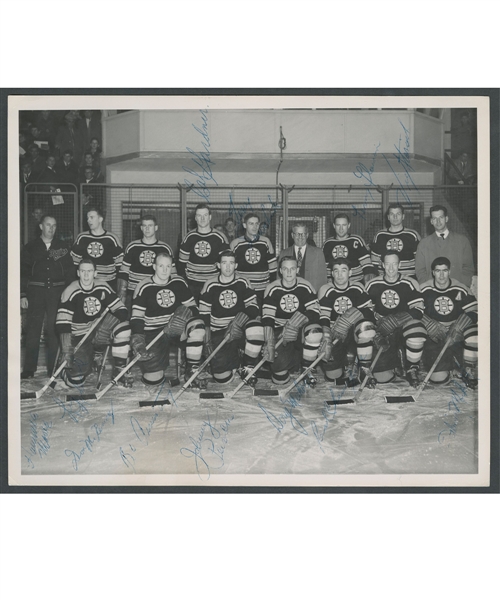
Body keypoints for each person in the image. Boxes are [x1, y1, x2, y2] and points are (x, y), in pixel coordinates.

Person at [130, 253, 205, 393]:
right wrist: (138, 339)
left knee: (197, 325)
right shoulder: (143, 286)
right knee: (153, 380)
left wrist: (185, 313)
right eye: (161, 266)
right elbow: (137, 317)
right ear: (154, 267)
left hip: (176, 329)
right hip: (153, 332)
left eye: (168, 266)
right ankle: (156, 369)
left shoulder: (179, 282)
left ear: (172, 267)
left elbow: (194, 309)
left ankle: (192, 368)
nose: (165, 270)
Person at [56, 258, 132, 388]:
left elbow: (122, 311)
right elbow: (63, 324)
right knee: (76, 382)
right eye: (83, 271)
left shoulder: (102, 286)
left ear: (95, 273)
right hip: (78, 335)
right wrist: (66, 350)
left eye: (89, 271)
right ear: (78, 273)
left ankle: (119, 368)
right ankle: (68, 369)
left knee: (123, 328)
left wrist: (106, 325)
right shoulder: (70, 291)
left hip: (97, 331)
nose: (86, 275)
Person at [21, 215, 75, 378]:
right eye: (48, 225)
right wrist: (22, 294)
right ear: (41, 226)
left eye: (54, 225)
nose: (51, 228)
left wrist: (69, 291)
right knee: (33, 330)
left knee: (54, 330)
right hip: (35, 293)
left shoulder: (63, 247)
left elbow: (70, 271)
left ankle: (53, 369)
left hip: (56, 293)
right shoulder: (30, 247)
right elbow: (23, 272)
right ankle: (29, 369)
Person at [199, 250, 262, 386]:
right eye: (224, 263)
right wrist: (207, 336)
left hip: (240, 330)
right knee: (223, 379)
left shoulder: (243, 282)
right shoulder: (210, 284)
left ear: (236, 265)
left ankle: (247, 365)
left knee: (256, 327)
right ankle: (235, 361)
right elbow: (203, 314)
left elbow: (254, 307)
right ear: (218, 265)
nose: (228, 267)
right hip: (220, 332)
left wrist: (238, 321)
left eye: (231, 263)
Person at [366, 251, 428, 387]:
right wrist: (376, 327)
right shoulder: (372, 284)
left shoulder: (410, 283)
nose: (391, 268)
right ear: (382, 265)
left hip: (403, 330)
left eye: (394, 264)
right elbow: (366, 311)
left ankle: (412, 368)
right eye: (388, 264)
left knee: (417, 328)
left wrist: (397, 320)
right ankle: (396, 361)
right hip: (384, 332)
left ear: (400, 264)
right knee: (382, 379)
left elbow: (419, 311)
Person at [262, 256, 323, 387]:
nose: (289, 273)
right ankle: (292, 362)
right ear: (280, 271)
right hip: (281, 333)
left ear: (297, 270)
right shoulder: (272, 288)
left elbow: (315, 312)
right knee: (280, 379)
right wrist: (269, 342)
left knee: (314, 331)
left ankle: (307, 368)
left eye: (292, 269)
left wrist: (295, 322)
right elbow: (267, 319)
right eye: (285, 269)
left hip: (300, 331)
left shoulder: (305, 285)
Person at [420, 257, 478, 388]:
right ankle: (450, 367)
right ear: (433, 272)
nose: (441, 275)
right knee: (439, 380)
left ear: (449, 271)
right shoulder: (423, 289)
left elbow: (475, 311)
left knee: (474, 332)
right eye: (438, 271)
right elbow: (414, 311)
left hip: (456, 336)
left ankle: (468, 369)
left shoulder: (461, 288)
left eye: (444, 271)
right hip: (435, 337)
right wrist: (428, 323)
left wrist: (459, 326)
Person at [318, 258, 376, 386]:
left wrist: (350, 317)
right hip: (335, 335)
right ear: (332, 273)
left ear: (350, 273)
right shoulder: (326, 289)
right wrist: (327, 337)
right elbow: (324, 317)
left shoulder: (357, 287)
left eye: (343, 271)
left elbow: (370, 314)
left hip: (354, 335)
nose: (339, 275)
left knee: (366, 327)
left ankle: (363, 368)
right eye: (336, 271)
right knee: (333, 376)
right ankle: (346, 363)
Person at [117, 214, 176, 312]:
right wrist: (122, 295)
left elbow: (173, 274)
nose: (147, 229)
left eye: (150, 226)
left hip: (156, 293)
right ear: (141, 228)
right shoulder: (132, 246)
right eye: (144, 226)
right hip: (134, 293)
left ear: (156, 228)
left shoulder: (165, 248)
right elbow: (123, 273)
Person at [177, 203, 229, 302]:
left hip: (213, 284)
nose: (202, 218)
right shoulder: (189, 237)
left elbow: (227, 263)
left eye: (205, 215)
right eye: (199, 216)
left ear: (210, 217)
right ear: (195, 218)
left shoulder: (220, 237)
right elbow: (181, 265)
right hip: (192, 285)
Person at [415, 205, 475, 288]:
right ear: (431, 221)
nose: (438, 221)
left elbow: (468, 269)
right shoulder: (424, 243)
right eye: (435, 218)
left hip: (456, 289)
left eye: (441, 217)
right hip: (432, 290)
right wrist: (427, 287)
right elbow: (420, 271)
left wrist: (462, 288)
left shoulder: (462, 240)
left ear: (446, 219)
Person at [71, 206, 124, 290]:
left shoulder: (112, 238)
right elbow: (74, 264)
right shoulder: (82, 237)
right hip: (86, 284)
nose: (88, 220)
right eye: (88, 218)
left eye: (92, 217)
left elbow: (120, 266)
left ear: (100, 219)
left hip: (108, 284)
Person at [230, 213, 277, 305]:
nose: (255, 227)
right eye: (251, 224)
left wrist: (271, 287)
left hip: (262, 288)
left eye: (256, 224)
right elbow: (230, 267)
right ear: (244, 225)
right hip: (243, 289)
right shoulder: (235, 243)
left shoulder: (266, 242)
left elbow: (273, 267)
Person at [322, 213, 376, 285]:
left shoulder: (356, 240)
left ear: (349, 225)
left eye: (344, 225)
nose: (341, 229)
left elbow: (367, 264)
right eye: (338, 225)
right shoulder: (327, 243)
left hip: (355, 283)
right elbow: (323, 267)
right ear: (334, 226)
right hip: (333, 285)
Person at [371, 204, 421, 277]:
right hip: (386, 278)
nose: (395, 217)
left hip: (408, 278)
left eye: (398, 214)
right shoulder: (380, 235)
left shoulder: (412, 235)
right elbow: (374, 261)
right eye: (392, 214)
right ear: (388, 217)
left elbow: (420, 260)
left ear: (403, 216)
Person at [279, 221, 327, 294]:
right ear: (292, 235)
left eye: (303, 234)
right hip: (290, 295)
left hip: (311, 295)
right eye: (297, 234)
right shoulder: (284, 253)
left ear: (307, 235)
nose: (300, 237)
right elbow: (279, 279)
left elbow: (323, 279)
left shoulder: (318, 253)